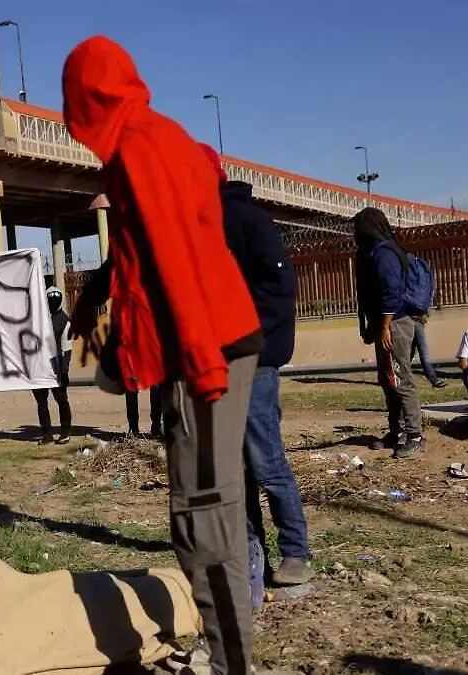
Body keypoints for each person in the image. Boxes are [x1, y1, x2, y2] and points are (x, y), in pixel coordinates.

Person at [64, 37, 263, 674]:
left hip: (205, 348)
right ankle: (225, 648)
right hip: (203, 343)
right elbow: (141, 269)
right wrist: (124, 358)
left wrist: (198, 365)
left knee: (205, 514)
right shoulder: (159, 137)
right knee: (204, 506)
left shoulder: (140, 149)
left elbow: (176, 260)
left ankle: (233, 662)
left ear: (87, 99)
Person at [203, 144, 313, 589]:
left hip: (253, 360)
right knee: (233, 466)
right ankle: (250, 551)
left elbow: (279, 285)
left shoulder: (247, 221)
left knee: (265, 458)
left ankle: (295, 553)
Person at [353, 207, 424, 459]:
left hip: (394, 324)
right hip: (382, 324)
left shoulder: (385, 254)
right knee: (388, 379)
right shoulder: (372, 253)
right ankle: (396, 431)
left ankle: (414, 434)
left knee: (401, 378)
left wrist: (383, 326)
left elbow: (391, 292)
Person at [34, 286, 73, 444]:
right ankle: (47, 434)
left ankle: (65, 431)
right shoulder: (38, 318)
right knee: (41, 401)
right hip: (39, 365)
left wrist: (64, 371)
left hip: (56, 367)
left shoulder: (65, 321)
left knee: (61, 399)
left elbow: (67, 348)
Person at [410, 314, 447, 388]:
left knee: (410, 353)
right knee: (423, 353)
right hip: (416, 323)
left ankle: (398, 376)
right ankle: (434, 379)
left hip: (408, 323)